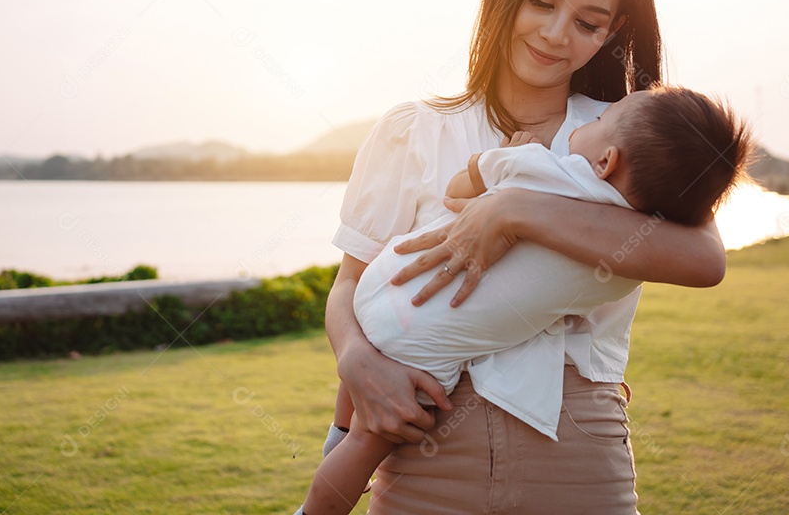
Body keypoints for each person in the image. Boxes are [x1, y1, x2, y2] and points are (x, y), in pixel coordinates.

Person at [322, 0, 731, 515]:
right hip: (423, 443)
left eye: (588, 22)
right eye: (541, 2)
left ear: (612, 31)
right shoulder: (414, 132)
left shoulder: (635, 144)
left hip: (578, 455)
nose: (556, 34)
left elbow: (702, 259)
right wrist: (357, 361)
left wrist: (514, 210)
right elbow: (350, 283)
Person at [299, 86, 750, 515]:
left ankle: (335, 439)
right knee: (365, 446)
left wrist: (506, 175)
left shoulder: (543, 165)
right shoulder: (631, 255)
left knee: (356, 433)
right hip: (427, 357)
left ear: (606, 160)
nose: (556, 34)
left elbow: (457, 192)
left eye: (601, 119)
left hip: (393, 284)